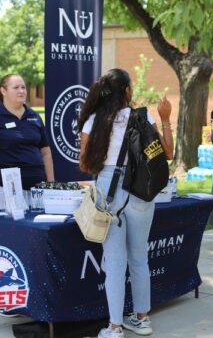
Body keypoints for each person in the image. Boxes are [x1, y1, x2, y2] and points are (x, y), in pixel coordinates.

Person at [78, 68, 173, 338]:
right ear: (127, 91)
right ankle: (142, 318)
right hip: (141, 190)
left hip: (109, 190)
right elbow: (167, 152)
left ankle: (115, 327)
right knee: (139, 257)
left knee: (116, 261)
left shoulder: (94, 121)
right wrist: (166, 118)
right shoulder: (143, 117)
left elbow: (85, 164)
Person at [0, 74, 54, 209]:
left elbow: (45, 152)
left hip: (36, 187)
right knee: (6, 229)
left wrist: (50, 183)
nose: (22, 91)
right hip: (3, 187)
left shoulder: (34, 116)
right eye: (16, 87)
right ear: (3, 91)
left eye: (23, 87)